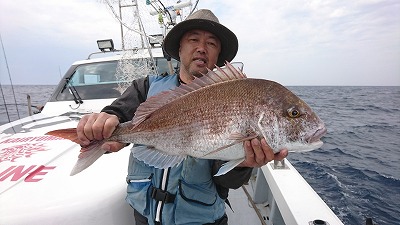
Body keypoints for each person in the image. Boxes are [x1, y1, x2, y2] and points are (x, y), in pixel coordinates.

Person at [77, 9, 288, 225]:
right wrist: (104, 120)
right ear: (180, 47)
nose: (201, 48)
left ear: (219, 55)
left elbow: (228, 180)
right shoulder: (146, 87)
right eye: (193, 39)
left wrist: (243, 164)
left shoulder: (234, 99)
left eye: (212, 44)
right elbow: (118, 113)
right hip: (144, 215)